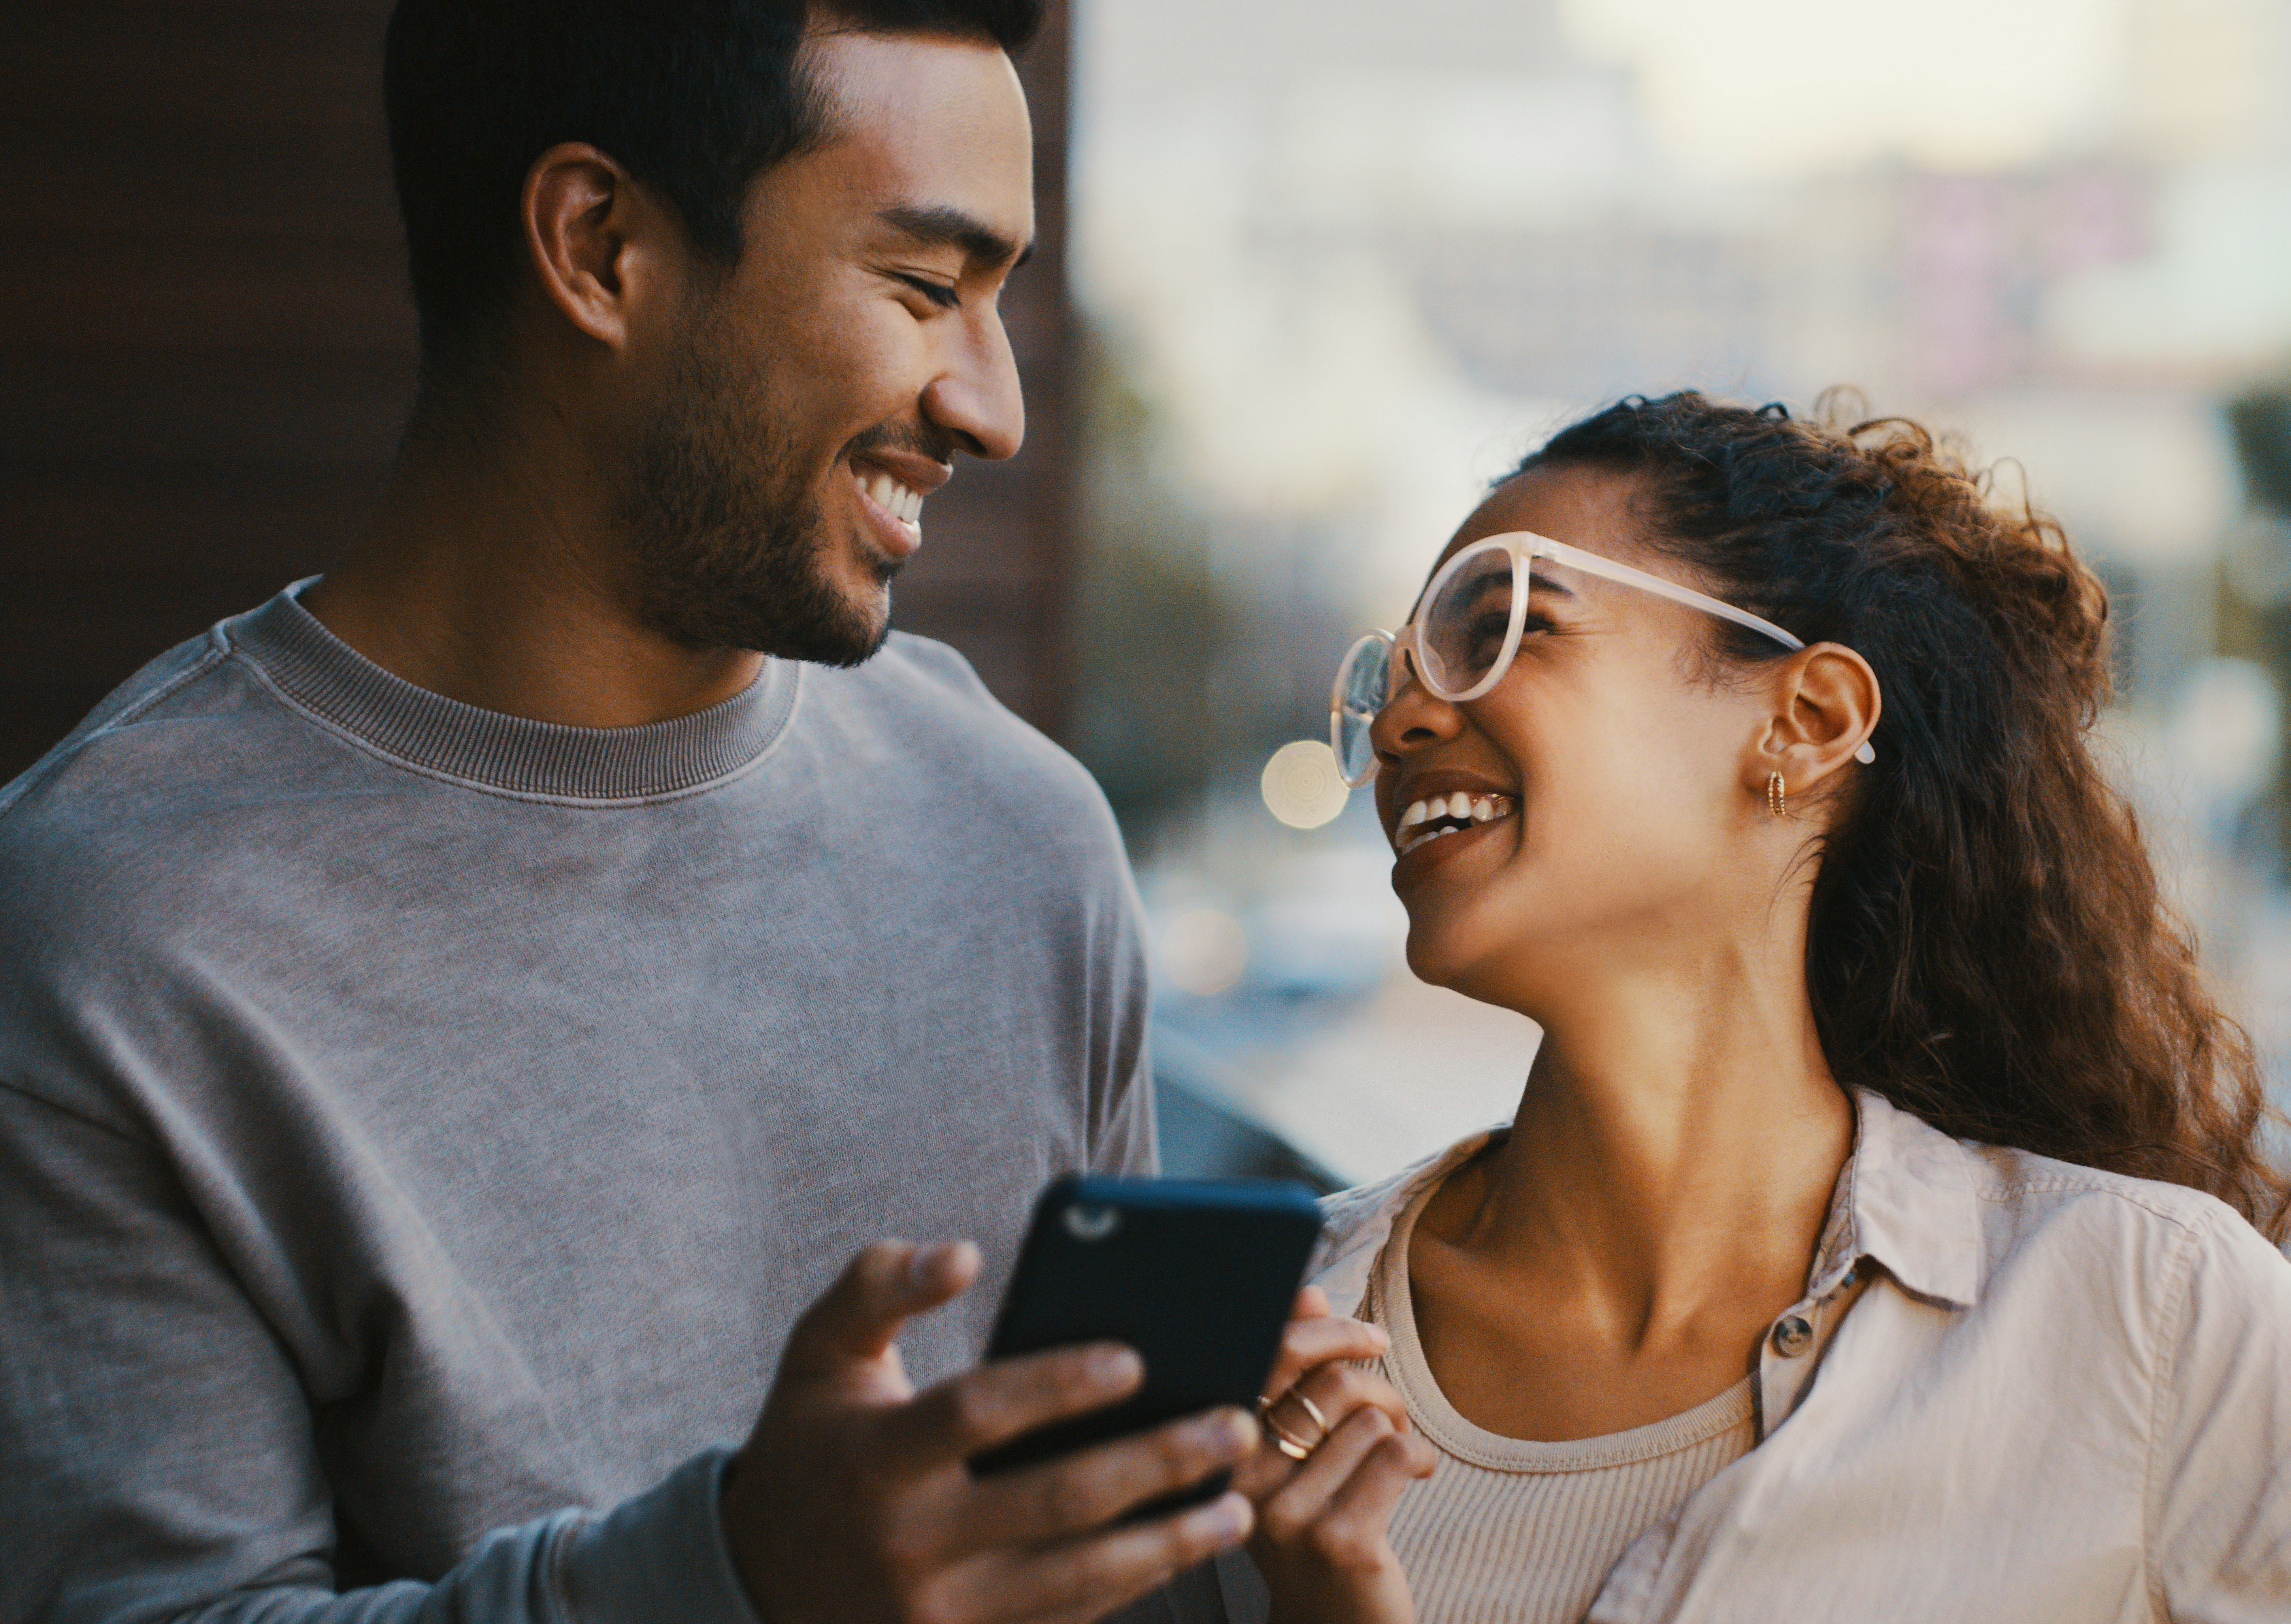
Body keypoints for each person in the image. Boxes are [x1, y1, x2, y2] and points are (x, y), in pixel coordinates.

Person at [0, 4, 1391, 1621]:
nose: (995, 407)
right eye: (925, 289)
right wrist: (734, 1578)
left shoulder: (1019, 834)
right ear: (599, 246)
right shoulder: (109, 930)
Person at [1188, 393, 2291, 1622]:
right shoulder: (1246, 1345)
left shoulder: (2142, 1318)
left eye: (1502, 628)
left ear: (1802, 720)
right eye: (1397, 668)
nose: (1404, 718)